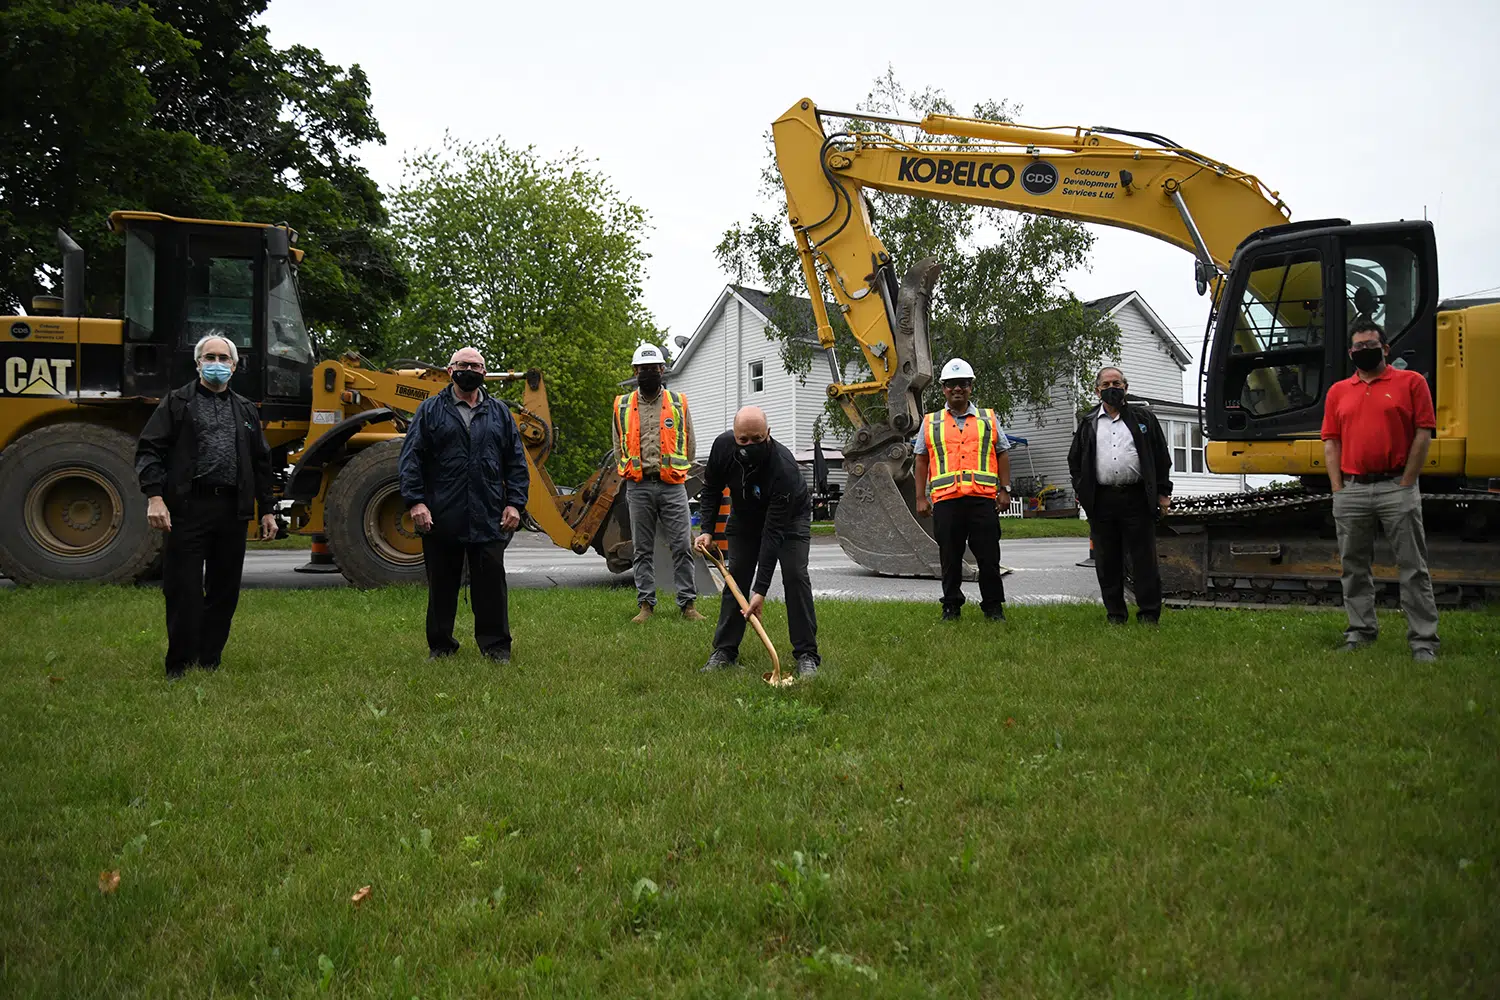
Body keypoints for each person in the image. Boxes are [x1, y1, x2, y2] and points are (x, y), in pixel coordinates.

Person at [135, 333, 278, 678]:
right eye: (210, 357)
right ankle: (179, 664)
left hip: (231, 510)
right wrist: (155, 497)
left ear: (234, 366)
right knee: (182, 588)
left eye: (224, 358)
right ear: (198, 363)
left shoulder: (245, 409)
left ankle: (209, 659)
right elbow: (149, 450)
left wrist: (268, 509)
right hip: (187, 508)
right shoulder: (176, 403)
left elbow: (261, 462)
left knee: (224, 590)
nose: (217, 364)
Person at [399, 346, 529, 663]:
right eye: (462, 365)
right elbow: (411, 458)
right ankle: (441, 646)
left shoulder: (499, 413)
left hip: (488, 514)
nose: (468, 370)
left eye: (475, 366)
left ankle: (496, 647)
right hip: (442, 514)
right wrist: (416, 502)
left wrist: (515, 503)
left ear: (484, 373)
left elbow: (516, 462)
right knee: (442, 586)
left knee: (491, 587)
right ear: (450, 370)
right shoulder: (430, 411)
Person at [1321, 320, 1439, 661]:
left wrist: (1406, 482)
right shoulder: (1338, 392)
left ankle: (1423, 641)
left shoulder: (1411, 383)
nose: (1363, 351)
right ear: (1350, 353)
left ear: (1385, 349)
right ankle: (1360, 632)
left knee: (1413, 567)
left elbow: (1423, 433)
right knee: (1353, 566)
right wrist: (1338, 489)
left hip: (1395, 487)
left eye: (1370, 345)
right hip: (1352, 490)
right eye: (1357, 347)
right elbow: (1331, 442)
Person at [692, 406, 820, 678]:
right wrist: (707, 530)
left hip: (789, 518)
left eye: (757, 439)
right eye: (744, 440)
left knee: (795, 575)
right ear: (735, 435)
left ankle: (807, 654)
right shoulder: (722, 448)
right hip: (745, 516)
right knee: (736, 576)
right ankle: (724, 651)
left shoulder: (782, 466)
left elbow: (773, 534)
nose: (750, 445)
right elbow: (712, 488)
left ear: (768, 434)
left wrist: (760, 591)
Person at [1067, 366, 1174, 625]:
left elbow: (1160, 457)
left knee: (1143, 560)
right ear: (1097, 390)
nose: (1111, 388)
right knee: (1107, 562)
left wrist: (1163, 493)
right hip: (1102, 502)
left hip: (1137, 498)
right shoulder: (1088, 422)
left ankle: (1149, 614)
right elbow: (1075, 462)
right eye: (1106, 385)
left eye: (1116, 383)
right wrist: (1083, 492)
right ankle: (1115, 614)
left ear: (1125, 387)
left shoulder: (1143, 419)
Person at [913, 357, 1012, 621]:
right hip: (946, 501)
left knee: (988, 556)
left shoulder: (987, 418)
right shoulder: (931, 421)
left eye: (963, 384)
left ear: (971, 387)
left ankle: (993, 607)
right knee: (950, 557)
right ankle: (951, 606)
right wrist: (920, 497)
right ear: (944, 388)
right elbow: (921, 460)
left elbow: (1002, 453)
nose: (957, 389)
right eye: (952, 385)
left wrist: (1005, 489)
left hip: (982, 500)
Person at [613, 343, 704, 623]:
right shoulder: (622, 404)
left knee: (682, 546)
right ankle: (646, 605)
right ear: (635, 371)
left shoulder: (678, 402)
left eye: (653, 369)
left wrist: (679, 471)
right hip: (638, 486)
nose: (649, 373)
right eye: (643, 369)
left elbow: (689, 443)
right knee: (642, 549)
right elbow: (618, 444)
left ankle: (687, 605)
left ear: (662, 370)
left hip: (673, 486)